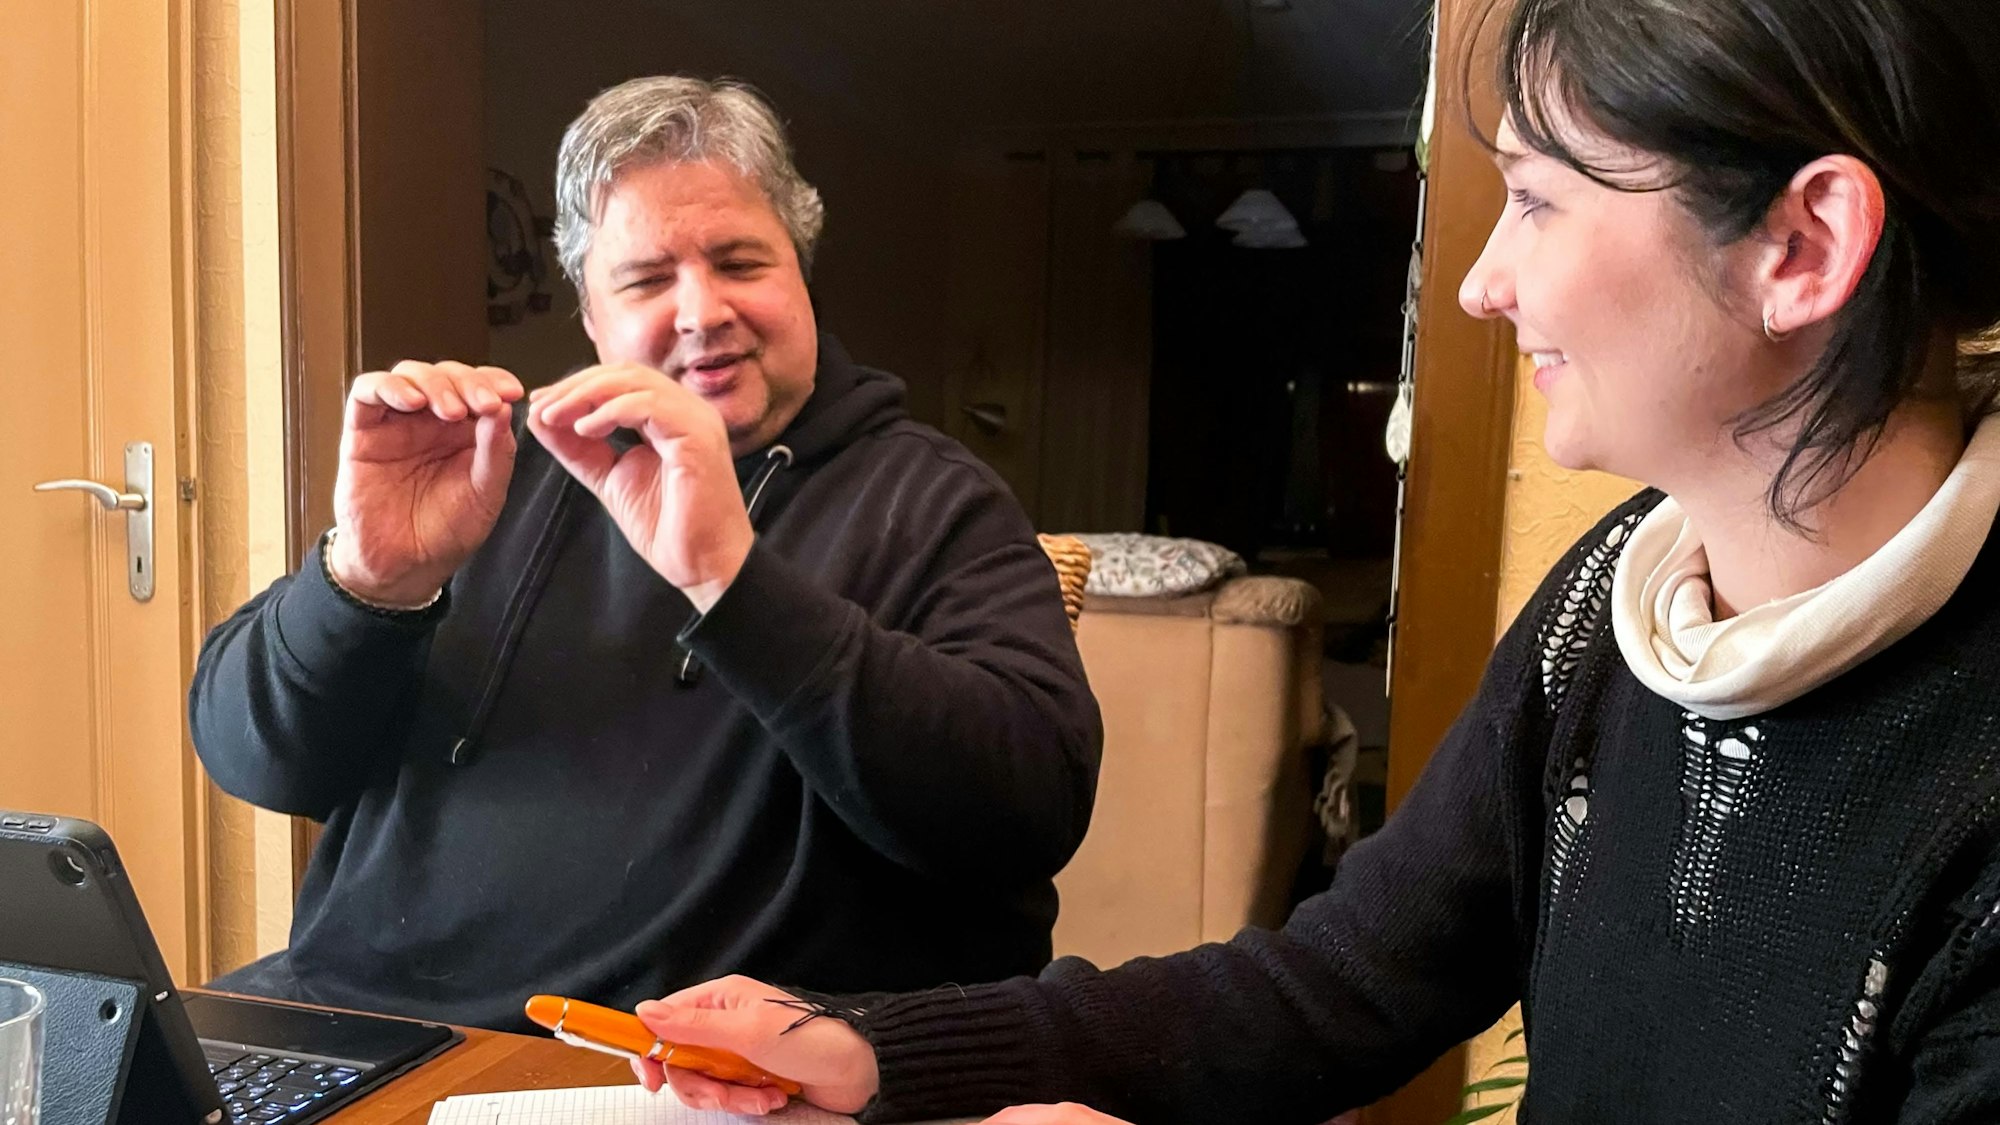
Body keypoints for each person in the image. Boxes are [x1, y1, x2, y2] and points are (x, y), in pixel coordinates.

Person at [609, 0, 2000, 1120]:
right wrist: (874, 1050)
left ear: (1801, 247)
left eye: (1535, 199)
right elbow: (1335, 983)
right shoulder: (1614, 600)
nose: (1483, 284)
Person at [189, 76, 1102, 1032]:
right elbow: (256, 761)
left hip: (664, 1062)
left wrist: (733, 582)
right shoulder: (484, 466)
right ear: (591, 317)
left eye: (739, 262)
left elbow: (1030, 810)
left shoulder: (933, 498)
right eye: (647, 279)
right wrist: (367, 583)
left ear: (800, 274)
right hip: (360, 1021)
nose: (702, 311)